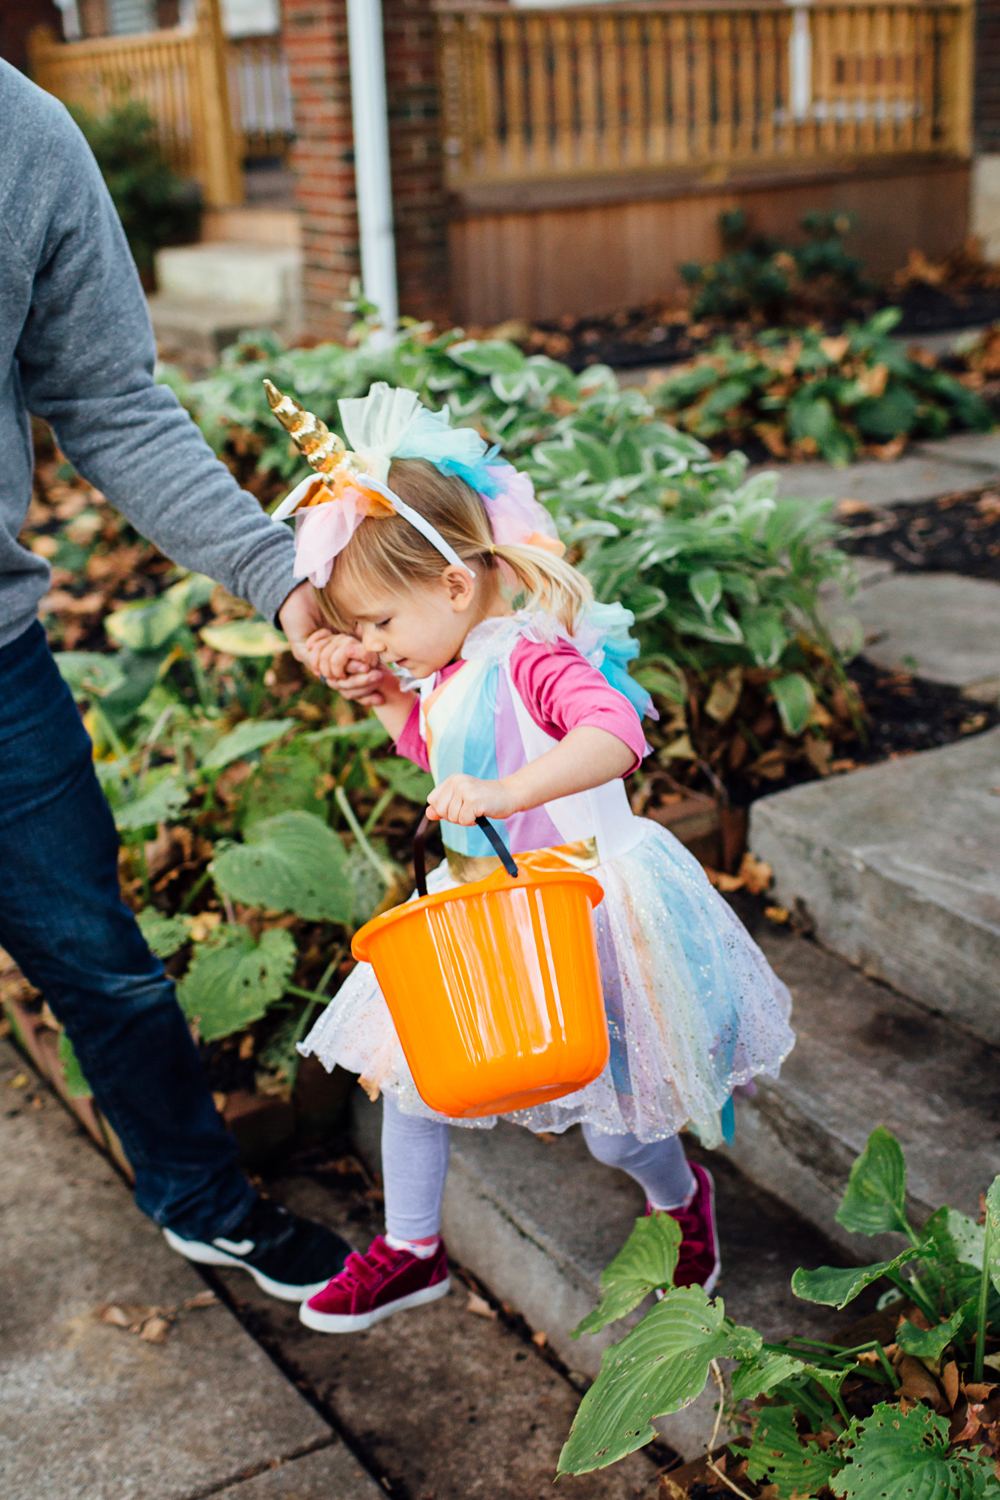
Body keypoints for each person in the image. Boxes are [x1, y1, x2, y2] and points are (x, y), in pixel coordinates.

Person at [262, 380, 795, 1333]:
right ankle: (412, 1249)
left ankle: (680, 1200)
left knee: (616, 1130)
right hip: (486, 903)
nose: (375, 643)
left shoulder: (531, 656)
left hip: (587, 906)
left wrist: (507, 796)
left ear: (455, 585)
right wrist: (387, 698)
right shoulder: (449, 668)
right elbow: (447, 752)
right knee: (416, 1077)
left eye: (382, 623)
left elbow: (616, 733)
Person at [0, 60, 350, 1298]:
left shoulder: (25, 138)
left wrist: (282, 577)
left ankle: (200, 1200)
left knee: (103, 965)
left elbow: (110, 400)